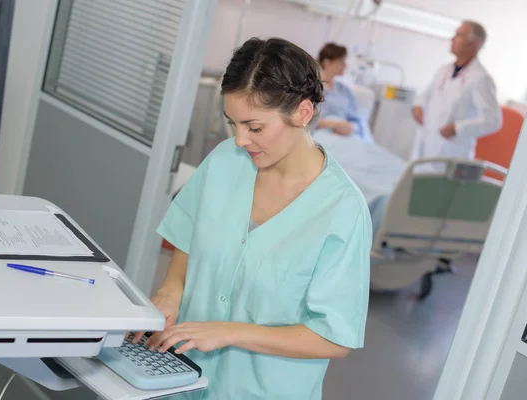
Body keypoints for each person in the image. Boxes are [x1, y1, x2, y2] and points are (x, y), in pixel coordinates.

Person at [130, 37, 372, 399]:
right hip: (182, 381)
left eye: (254, 127)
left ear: (302, 113)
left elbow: (332, 338)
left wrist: (227, 332)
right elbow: (189, 238)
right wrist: (170, 293)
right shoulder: (225, 161)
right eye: (233, 123)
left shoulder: (342, 211)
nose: (240, 140)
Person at [410, 20, 502, 166]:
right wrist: (417, 107)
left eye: (459, 35)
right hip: (426, 146)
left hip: (452, 152)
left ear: (473, 44)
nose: (452, 39)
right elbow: (424, 96)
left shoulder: (480, 78)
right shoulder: (443, 70)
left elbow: (493, 120)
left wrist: (458, 128)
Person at [315, 42, 370, 141]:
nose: (345, 66)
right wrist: (333, 124)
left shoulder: (344, 91)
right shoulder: (313, 88)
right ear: (327, 62)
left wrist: (350, 127)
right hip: (321, 134)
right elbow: (304, 118)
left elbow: (357, 120)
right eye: (341, 61)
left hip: (346, 135)